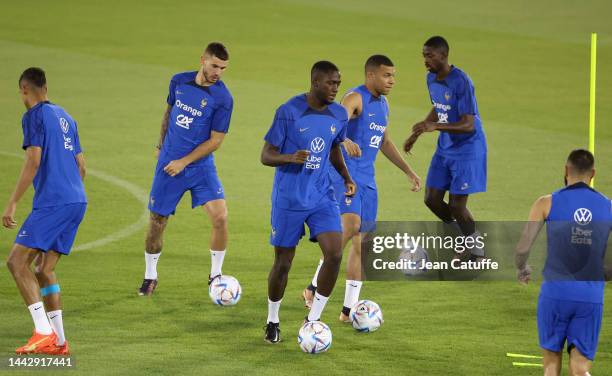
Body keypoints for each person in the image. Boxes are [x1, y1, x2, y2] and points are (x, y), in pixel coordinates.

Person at [302, 55, 422, 321]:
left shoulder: (384, 104)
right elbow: (334, 121)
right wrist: (343, 140)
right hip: (345, 176)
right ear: (371, 76)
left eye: (393, 75)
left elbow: (385, 142)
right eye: (387, 75)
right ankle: (313, 289)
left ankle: (348, 310)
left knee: (363, 243)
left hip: (368, 180)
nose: (392, 80)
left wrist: (408, 171)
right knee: (349, 229)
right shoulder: (355, 98)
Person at [261, 61, 356, 343]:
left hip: (321, 195)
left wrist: (346, 176)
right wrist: (290, 157)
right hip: (289, 198)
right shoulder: (289, 112)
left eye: (338, 83)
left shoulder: (339, 114)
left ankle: (312, 321)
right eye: (330, 83)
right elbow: (266, 155)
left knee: (334, 253)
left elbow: (333, 149)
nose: (335, 89)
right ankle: (272, 319)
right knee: (283, 263)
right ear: (315, 82)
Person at [3, 67, 87, 355]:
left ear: (24, 89)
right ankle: (60, 342)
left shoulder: (34, 116)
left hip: (55, 202)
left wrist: (12, 201)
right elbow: (82, 166)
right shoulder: (66, 117)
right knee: (44, 269)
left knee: (16, 262)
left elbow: (33, 161)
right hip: (77, 201)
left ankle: (42, 332)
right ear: (45, 87)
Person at [139, 42, 234, 296]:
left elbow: (216, 141)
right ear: (203, 59)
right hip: (169, 165)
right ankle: (150, 275)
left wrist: (185, 161)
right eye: (214, 65)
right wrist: (161, 146)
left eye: (223, 68)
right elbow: (168, 113)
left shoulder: (223, 98)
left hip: (200, 166)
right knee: (157, 222)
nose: (218, 72)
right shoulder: (179, 82)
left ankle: (215, 275)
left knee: (220, 217)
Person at [515, 149, 611, 376]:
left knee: (550, 364)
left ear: (566, 171)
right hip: (590, 296)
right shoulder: (608, 207)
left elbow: (522, 248)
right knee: (579, 368)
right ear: (593, 173)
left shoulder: (546, 203)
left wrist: (522, 268)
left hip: (554, 293)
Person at [404, 36, 487, 260]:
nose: (425, 60)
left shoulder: (462, 81)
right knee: (431, 199)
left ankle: (476, 252)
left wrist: (435, 126)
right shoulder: (431, 78)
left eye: (429, 55)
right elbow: (439, 105)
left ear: (443, 55)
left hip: (468, 149)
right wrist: (418, 131)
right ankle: (463, 237)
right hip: (445, 148)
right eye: (423, 55)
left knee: (457, 206)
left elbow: (469, 124)